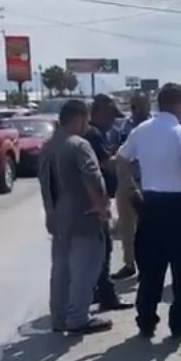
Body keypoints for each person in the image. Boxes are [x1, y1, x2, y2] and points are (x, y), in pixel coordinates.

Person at [117, 82, 181, 339]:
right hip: (179, 207)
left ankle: (146, 321)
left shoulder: (141, 130)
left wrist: (129, 187)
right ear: (180, 103)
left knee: (150, 269)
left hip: (151, 205)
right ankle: (180, 323)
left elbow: (121, 159)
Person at [37, 99, 113, 334]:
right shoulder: (79, 145)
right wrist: (101, 205)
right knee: (85, 268)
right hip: (82, 215)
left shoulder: (48, 147)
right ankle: (78, 318)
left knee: (61, 269)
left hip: (58, 217)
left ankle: (59, 317)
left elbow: (44, 185)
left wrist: (49, 214)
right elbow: (92, 176)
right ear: (79, 119)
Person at [84, 94, 133, 311]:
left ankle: (96, 291)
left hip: (92, 198)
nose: (113, 122)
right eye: (111, 116)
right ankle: (105, 296)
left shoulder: (94, 133)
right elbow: (107, 164)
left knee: (98, 248)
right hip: (95, 199)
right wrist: (125, 156)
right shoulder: (93, 134)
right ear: (100, 113)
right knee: (103, 249)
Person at [112, 91, 152, 279]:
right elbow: (119, 153)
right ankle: (129, 263)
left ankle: (149, 266)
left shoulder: (153, 127)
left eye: (143, 105)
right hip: (127, 180)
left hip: (149, 182)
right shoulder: (124, 128)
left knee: (149, 228)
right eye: (136, 105)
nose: (139, 109)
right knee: (127, 227)